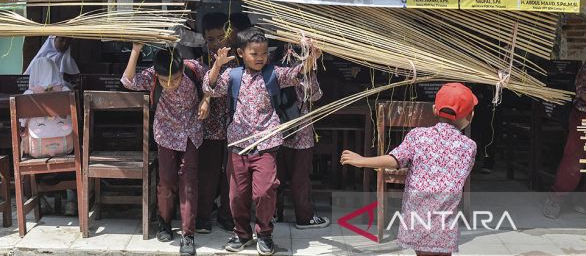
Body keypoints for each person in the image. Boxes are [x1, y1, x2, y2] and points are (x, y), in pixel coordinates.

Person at [205, 28, 321, 256]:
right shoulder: (232, 75)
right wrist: (217, 66)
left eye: (264, 53)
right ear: (240, 53)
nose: (260, 58)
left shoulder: (274, 74)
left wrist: (311, 59)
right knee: (236, 195)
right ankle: (242, 234)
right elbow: (209, 89)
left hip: (267, 144)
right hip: (238, 144)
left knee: (265, 191)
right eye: (254, 53)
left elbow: (297, 73)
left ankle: (265, 234)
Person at [341, 83, 478, 256]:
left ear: (435, 110)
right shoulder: (469, 147)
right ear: (470, 116)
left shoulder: (418, 136)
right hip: (444, 224)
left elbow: (394, 160)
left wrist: (362, 161)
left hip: (416, 219)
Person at [122, 46, 207, 256]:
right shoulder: (152, 74)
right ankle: (164, 223)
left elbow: (213, 83)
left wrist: (207, 100)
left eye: (175, 79)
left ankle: (188, 235)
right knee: (166, 181)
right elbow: (128, 82)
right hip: (166, 133)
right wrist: (135, 51)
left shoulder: (193, 68)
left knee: (188, 183)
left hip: (191, 132)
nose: (169, 84)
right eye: (164, 81)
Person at [276, 45, 329, 230]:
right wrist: (310, 70)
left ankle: (275, 214)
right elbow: (316, 95)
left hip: (278, 131)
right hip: (298, 132)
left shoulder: (273, 68)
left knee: (277, 177)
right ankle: (304, 218)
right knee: (299, 178)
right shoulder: (292, 73)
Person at [20, 57, 76, 215]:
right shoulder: (66, 92)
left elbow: (21, 124)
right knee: (72, 155)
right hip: (66, 146)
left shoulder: (28, 94)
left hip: (36, 149)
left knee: (23, 146)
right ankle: (71, 201)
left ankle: (39, 199)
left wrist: (23, 130)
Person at [196, 12, 235, 234]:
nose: (216, 43)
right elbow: (205, 87)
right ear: (204, 39)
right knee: (208, 172)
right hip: (209, 126)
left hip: (235, 125)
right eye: (211, 39)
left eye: (221, 37)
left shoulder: (239, 59)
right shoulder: (201, 62)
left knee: (232, 173)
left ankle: (227, 215)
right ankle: (202, 216)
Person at [543, 62, 586, 218]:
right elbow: (581, 91)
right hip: (583, 115)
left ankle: (581, 199)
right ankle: (556, 198)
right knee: (576, 158)